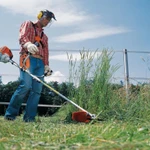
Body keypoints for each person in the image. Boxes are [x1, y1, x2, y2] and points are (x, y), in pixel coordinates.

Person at [4, 9, 56, 122]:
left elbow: (46, 51)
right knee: (25, 86)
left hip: (40, 63)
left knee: (37, 91)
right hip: (27, 58)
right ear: (40, 16)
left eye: (49, 20)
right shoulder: (28, 24)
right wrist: (27, 44)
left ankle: (29, 118)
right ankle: (10, 115)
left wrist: (46, 65)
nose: (47, 21)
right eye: (46, 18)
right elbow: (22, 36)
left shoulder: (45, 37)